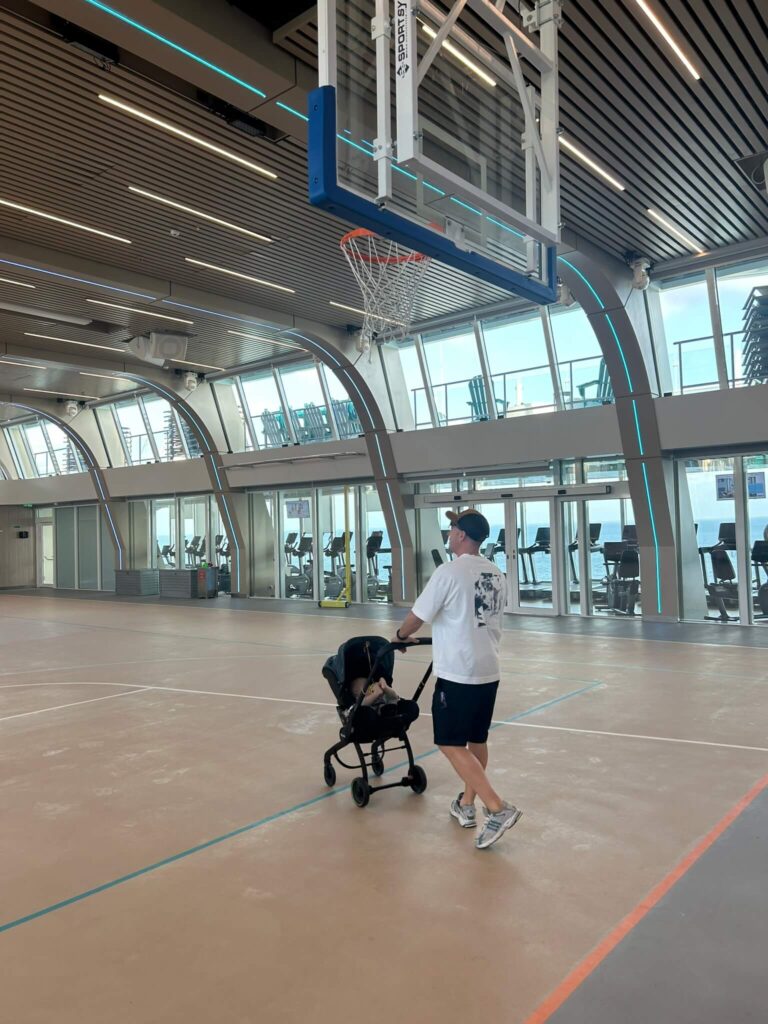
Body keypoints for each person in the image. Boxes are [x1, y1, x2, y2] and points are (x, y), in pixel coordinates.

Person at [393, 508, 521, 850]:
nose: (448, 534)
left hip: (458, 673)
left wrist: (400, 636)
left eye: (451, 529)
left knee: (450, 742)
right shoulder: (496, 573)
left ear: (461, 535)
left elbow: (417, 618)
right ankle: (466, 804)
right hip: (488, 670)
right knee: (476, 739)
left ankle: (497, 808)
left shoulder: (448, 572)